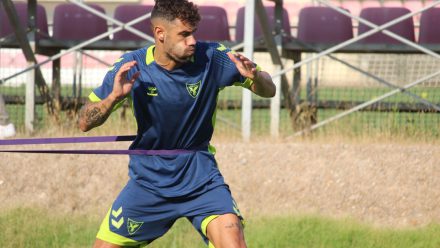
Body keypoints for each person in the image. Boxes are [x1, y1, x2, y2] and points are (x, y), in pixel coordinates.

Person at [78, 0, 275, 247]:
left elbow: (269, 90)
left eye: (193, 33)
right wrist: (112, 99)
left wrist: (256, 77)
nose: (192, 41)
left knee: (233, 243)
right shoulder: (132, 66)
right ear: (160, 34)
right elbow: (84, 121)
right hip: (148, 182)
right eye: (184, 34)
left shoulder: (212, 57)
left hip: (201, 179)